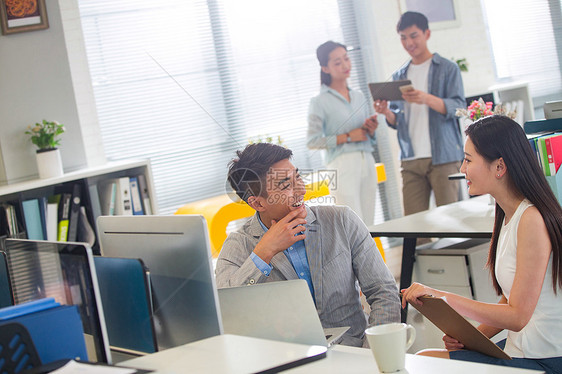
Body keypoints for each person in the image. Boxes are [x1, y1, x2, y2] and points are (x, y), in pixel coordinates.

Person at [401, 116, 562, 373]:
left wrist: (443, 297)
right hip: (522, 350)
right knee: (429, 358)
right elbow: (510, 299)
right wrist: (473, 337)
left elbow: (518, 316)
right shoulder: (509, 215)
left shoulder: (532, 219)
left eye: (468, 159)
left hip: (544, 360)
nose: (463, 169)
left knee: (425, 361)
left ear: (499, 166)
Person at [215, 142, 400, 347]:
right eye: (286, 185)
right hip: (288, 360)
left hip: (355, 351)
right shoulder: (238, 245)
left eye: (298, 177)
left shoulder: (341, 220)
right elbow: (227, 313)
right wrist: (263, 254)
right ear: (257, 203)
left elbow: (384, 292)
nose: (301, 189)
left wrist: (373, 353)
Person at [374, 11, 465, 216]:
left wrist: (426, 98)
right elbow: (399, 120)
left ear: (427, 34)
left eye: (413, 35)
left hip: (443, 157)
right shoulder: (400, 75)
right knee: (415, 225)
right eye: (403, 38)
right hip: (411, 159)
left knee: (451, 221)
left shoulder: (447, 69)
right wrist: (386, 112)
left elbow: (459, 108)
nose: (408, 42)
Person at [307, 40, 379, 226]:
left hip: (367, 160)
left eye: (346, 59)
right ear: (325, 68)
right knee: (351, 225)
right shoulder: (319, 101)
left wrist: (370, 131)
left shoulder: (359, 96)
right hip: (341, 165)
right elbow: (313, 141)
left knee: (369, 224)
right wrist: (347, 137)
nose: (345, 65)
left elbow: (367, 135)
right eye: (337, 62)